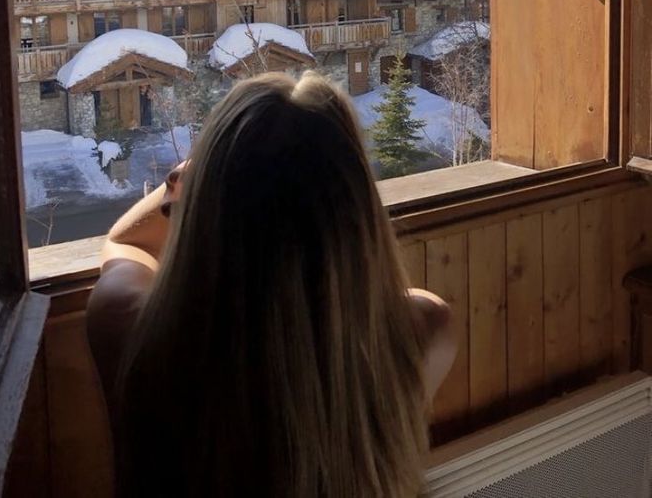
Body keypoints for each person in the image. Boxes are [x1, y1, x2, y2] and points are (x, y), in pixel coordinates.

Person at [87, 71, 456, 498]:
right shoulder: (423, 330)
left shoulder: (130, 327)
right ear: (356, 210)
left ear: (206, 202)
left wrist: (189, 178)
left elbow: (125, 241)